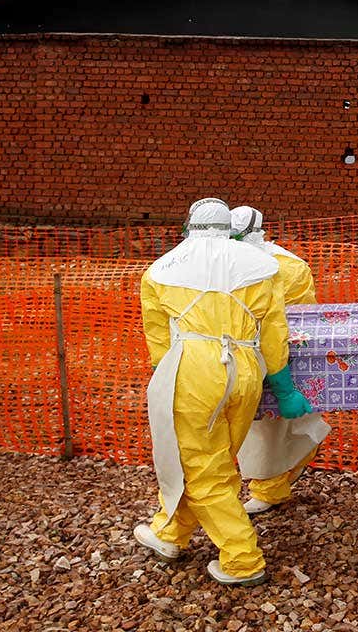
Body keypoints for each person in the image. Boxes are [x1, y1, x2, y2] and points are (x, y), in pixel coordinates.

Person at [131, 198, 310, 586]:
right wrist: (281, 385)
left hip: (192, 370)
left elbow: (159, 339)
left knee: (202, 466)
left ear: (190, 226)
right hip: (246, 368)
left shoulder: (160, 270)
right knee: (213, 462)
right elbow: (275, 334)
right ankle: (169, 532)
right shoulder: (264, 269)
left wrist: (166, 379)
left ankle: (242, 557)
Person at [229, 205, 331, 515]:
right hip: (248, 354)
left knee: (268, 427)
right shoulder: (286, 264)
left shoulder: (282, 267)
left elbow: (297, 321)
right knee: (263, 426)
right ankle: (273, 481)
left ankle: (270, 486)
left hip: (270, 354)